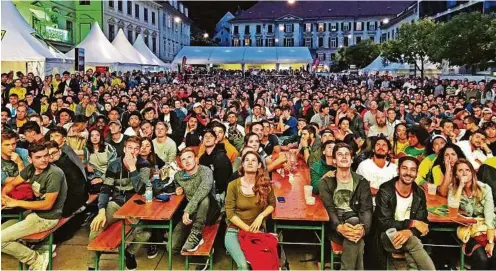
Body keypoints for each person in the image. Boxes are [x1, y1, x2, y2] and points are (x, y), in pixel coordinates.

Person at [87, 136, 151, 270]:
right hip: (116, 203)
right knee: (96, 226)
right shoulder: (114, 164)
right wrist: (101, 210)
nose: (132, 152)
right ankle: (92, 266)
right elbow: (106, 189)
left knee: (145, 231)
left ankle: (130, 252)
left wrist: (133, 168)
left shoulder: (144, 165)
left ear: (139, 151)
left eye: (136, 149)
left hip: (135, 205)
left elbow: (141, 190)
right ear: (124, 149)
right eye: (130, 148)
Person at [1, 144, 67, 271]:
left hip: (47, 218)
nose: (44, 160)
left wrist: (16, 202)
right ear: (30, 159)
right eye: (38, 157)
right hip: (33, 214)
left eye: (46, 156)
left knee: (1, 241)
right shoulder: (31, 169)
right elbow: (13, 183)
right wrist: (3, 195)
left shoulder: (55, 173)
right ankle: (40, 250)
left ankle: (36, 259)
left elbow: (47, 205)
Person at [373, 156, 436, 270]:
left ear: (416, 173)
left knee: (412, 245)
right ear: (398, 170)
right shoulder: (385, 191)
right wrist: (411, 223)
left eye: (413, 170)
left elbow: (422, 223)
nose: (408, 173)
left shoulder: (419, 193)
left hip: (410, 237)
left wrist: (409, 231)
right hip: (387, 236)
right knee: (413, 242)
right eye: (404, 168)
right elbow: (384, 223)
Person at [319, 142, 373, 270]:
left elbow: (366, 209)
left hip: (357, 226)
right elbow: (330, 209)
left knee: (355, 223)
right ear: (333, 161)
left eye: (347, 154)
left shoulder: (361, 181)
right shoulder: (325, 182)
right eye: (339, 154)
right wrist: (339, 227)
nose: (344, 157)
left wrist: (363, 229)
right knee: (355, 229)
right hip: (335, 228)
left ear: (352, 159)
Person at [225, 150, 275, 270]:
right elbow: (230, 214)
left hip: (257, 233)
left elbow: (272, 204)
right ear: (242, 164)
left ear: (259, 165)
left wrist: (261, 216)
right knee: (243, 266)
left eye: (254, 160)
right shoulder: (233, 185)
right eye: (246, 160)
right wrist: (249, 230)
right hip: (234, 232)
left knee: (264, 265)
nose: (250, 162)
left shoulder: (265, 184)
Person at [449, 159, 496, 270]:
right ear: (456, 174)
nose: (465, 173)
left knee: (493, 256)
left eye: (467, 170)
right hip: (468, 230)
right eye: (460, 170)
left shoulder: (484, 189)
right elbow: (453, 211)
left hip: (487, 229)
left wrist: (490, 242)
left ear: (472, 173)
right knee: (482, 258)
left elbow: (489, 217)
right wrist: (460, 186)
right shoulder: (453, 188)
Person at [172, 148, 221, 253]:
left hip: (209, 212)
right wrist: (177, 189)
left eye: (189, 157)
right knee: (172, 248)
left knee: (204, 198)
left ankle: (196, 234)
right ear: (181, 163)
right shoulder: (178, 176)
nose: (187, 161)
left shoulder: (205, 171)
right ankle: (189, 233)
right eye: (183, 159)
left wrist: (187, 210)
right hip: (191, 214)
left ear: (196, 159)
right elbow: (176, 183)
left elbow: (203, 190)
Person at [45, 141, 88, 243]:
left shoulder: (61, 165)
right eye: (48, 154)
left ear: (59, 151)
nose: (51, 157)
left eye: (54, 153)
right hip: (78, 199)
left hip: (73, 203)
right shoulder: (63, 159)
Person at [199, 129, 233, 208]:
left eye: (211, 136)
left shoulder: (221, 157)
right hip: (208, 190)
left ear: (215, 140)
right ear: (202, 141)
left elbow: (223, 183)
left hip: (221, 193)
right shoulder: (202, 158)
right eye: (205, 137)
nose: (208, 138)